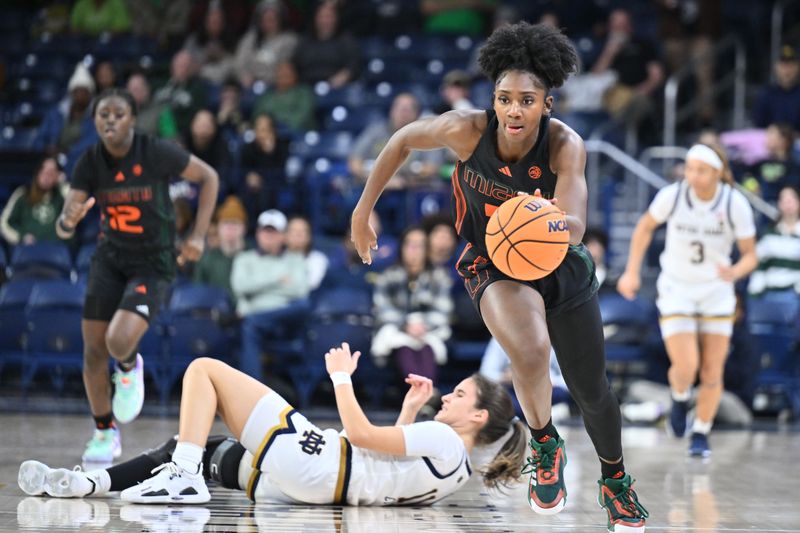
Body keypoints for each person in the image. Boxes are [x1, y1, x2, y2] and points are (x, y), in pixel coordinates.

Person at [350, 22, 648, 531]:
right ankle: (544, 443)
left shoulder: (564, 145)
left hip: (560, 260)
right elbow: (400, 140)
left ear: (546, 104)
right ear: (493, 99)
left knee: (592, 390)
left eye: (527, 100)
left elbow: (575, 223)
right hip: (492, 261)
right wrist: (363, 212)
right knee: (530, 351)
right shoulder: (465, 130)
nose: (514, 110)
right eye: (505, 99)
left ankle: (614, 479)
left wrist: (545, 218)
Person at [18, 346, 528, 508]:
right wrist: (409, 412)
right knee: (200, 446)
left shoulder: (443, 440)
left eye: (460, 395)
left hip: (318, 458)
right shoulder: (457, 472)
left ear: (478, 417)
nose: (449, 395)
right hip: (312, 488)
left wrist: (341, 379)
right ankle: (89, 482)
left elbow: (362, 437)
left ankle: (183, 478)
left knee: (204, 371)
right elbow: (387, 465)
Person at [55, 88, 219, 463]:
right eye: (103, 114)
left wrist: (196, 235)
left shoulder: (155, 151)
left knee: (117, 341)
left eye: (118, 113)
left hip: (154, 260)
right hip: (109, 259)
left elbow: (209, 177)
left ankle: (129, 367)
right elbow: (64, 225)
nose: (109, 120)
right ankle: (103, 432)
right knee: (93, 351)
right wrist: (68, 220)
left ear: (132, 118)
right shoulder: (89, 161)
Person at [617, 143, 757, 458]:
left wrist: (734, 271)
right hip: (677, 288)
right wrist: (631, 272)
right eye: (690, 168)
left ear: (717, 173)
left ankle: (701, 432)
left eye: (701, 170)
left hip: (716, 291)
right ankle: (680, 398)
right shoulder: (674, 195)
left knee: (711, 370)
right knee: (687, 364)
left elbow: (750, 256)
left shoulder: (734, 203)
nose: (692, 175)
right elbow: (644, 228)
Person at [231, 209, 309, 382]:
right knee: (250, 326)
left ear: (283, 236)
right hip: (257, 323)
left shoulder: (295, 259)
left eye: (274, 232)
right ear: (258, 233)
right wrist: (277, 280)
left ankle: (252, 389)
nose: (269, 236)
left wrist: (256, 290)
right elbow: (240, 287)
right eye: (265, 231)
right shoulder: (244, 259)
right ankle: (252, 390)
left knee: (303, 304)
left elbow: (299, 290)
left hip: (285, 318)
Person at [371, 226, 453, 383]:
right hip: (397, 329)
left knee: (426, 348)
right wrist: (406, 325)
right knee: (405, 347)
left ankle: (424, 392)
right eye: (409, 244)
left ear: (427, 249)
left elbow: (443, 310)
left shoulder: (439, 276)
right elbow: (382, 309)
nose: (414, 250)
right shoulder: (388, 276)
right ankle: (424, 394)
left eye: (419, 245)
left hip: (429, 331)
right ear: (402, 248)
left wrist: (422, 326)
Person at [0, 156, 68, 246]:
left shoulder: (61, 195)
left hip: (56, 252)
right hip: (26, 251)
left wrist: (62, 183)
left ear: (57, 175)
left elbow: (77, 205)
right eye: (43, 170)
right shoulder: (22, 193)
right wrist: (21, 237)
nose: (47, 175)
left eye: (51, 172)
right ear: (37, 172)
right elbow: (4, 223)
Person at [748, 185, 800, 296]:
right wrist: (756, 289)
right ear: (779, 204)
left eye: (791, 199)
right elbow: (754, 259)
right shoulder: (769, 235)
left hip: (796, 295)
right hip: (770, 294)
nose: (788, 203)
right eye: (784, 200)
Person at [285, 215, 328, 291]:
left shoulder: (318, 259)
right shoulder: (276, 257)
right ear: (285, 235)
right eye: (293, 231)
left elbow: (313, 284)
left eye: (302, 231)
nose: (298, 234)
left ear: (309, 237)